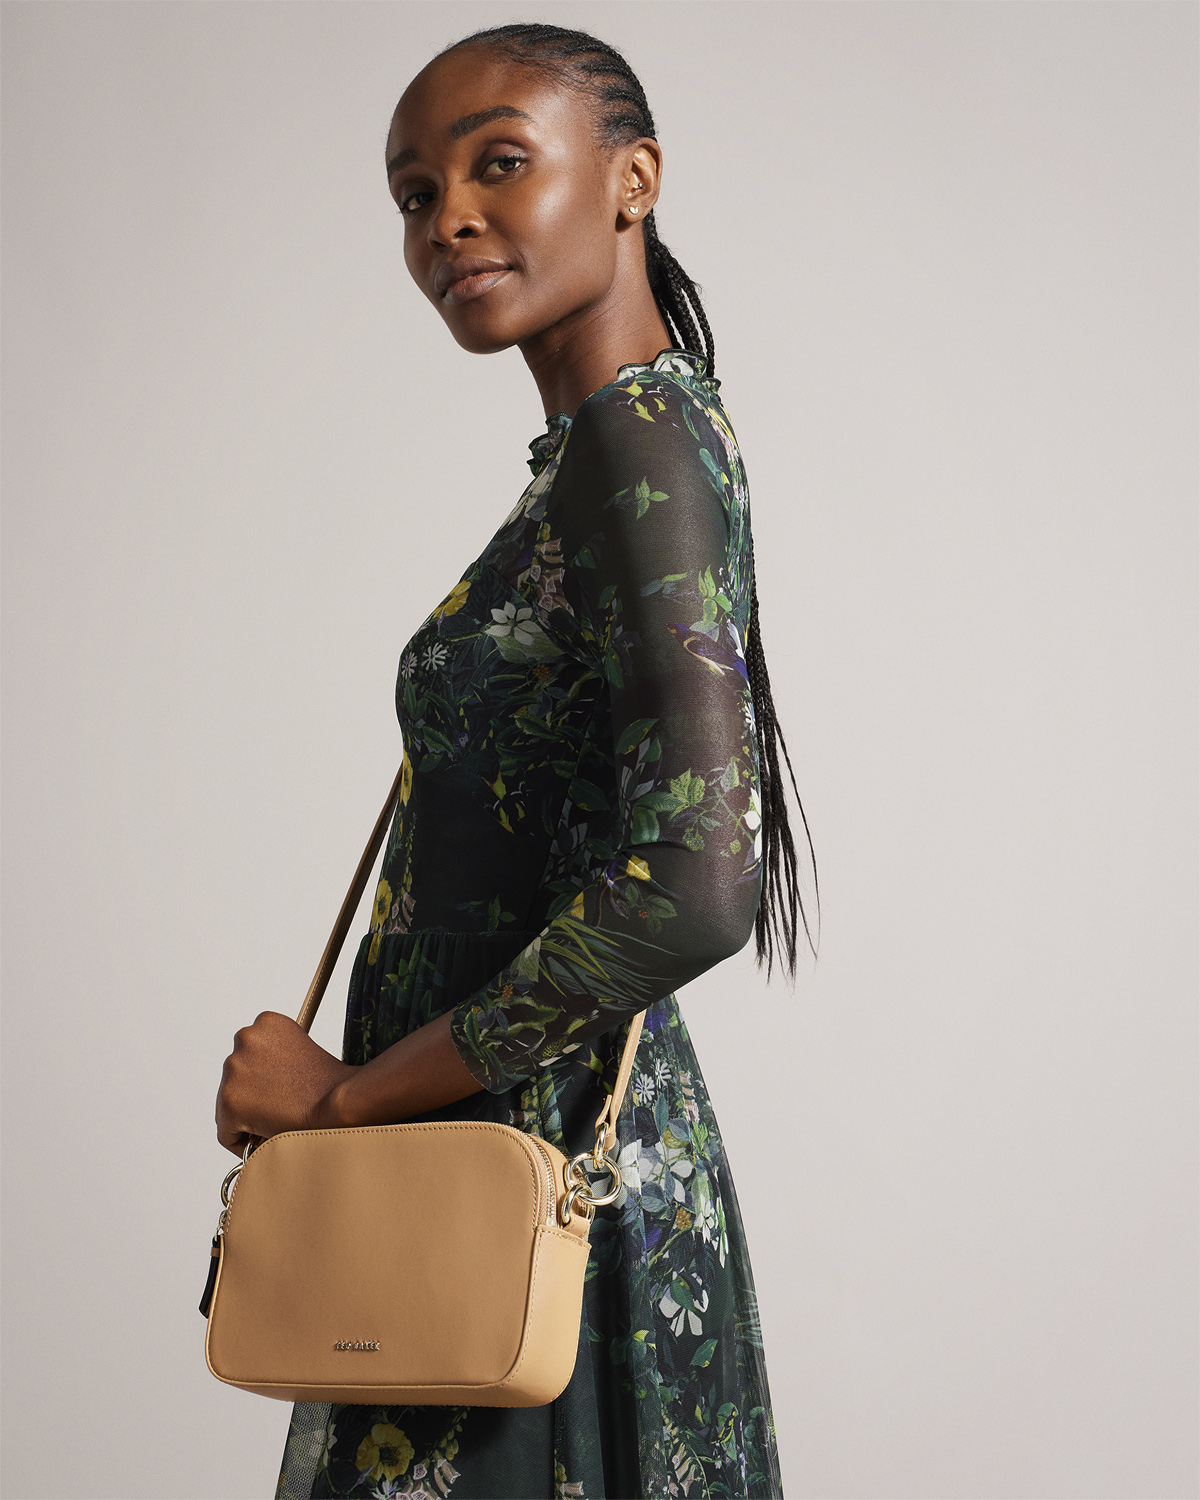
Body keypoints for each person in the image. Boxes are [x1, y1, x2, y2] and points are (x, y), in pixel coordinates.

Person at [215, 22, 818, 1500]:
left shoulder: (641, 444)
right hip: (480, 1166)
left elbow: (698, 885)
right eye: (416, 194)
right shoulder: (600, 453)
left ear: (632, 180)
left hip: (521, 1182)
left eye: (499, 164)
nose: (450, 221)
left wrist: (346, 1100)